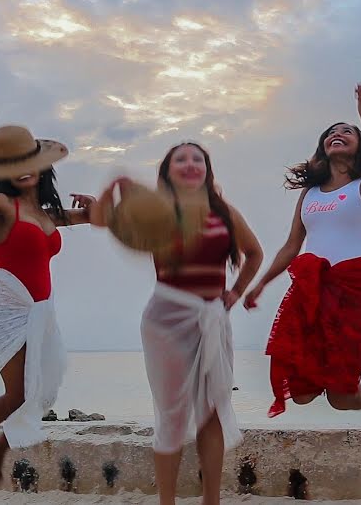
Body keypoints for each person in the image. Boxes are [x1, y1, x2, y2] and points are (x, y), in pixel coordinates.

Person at [91, 142, 262, 505]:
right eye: (180, 159)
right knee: (171, 415)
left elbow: (255, 253)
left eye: (197, 159)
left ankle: (210, 501)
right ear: (167, 171)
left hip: (212, 319)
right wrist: (111, 189)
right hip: (166, 320)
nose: (190, 164)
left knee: (212, 411)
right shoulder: (156, 211)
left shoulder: (224, 212)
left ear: (207, 170)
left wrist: (236, 292)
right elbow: (101, 220)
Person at [0, 125, 93, 489]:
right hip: (8, 307)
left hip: (41, 310)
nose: (22, 169)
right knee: (18, 393)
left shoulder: (47, 213)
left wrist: (96, 206)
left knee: (43, 389)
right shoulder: (0, 205)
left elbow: (96, 219)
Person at [243, 84, 361, 439]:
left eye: (346, 132)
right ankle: (355, 396)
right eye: (331, 133)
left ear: (359, 148)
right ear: (323, 147)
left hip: (355, 290)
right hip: (310, 292)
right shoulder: (309, 195)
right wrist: (261, 282)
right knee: (304, 392)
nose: (338, 134)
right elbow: (293, 245)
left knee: (341, 397)